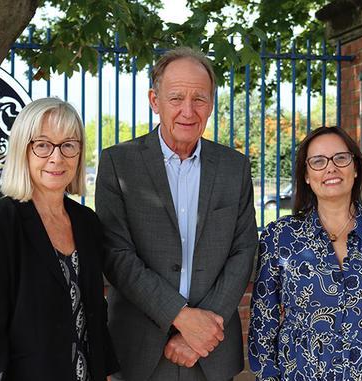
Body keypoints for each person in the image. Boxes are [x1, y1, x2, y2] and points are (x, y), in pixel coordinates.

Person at [95, 47, 258, 381]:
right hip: (139, 353)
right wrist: (181, 317)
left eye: (200, 98)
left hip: (211, 352)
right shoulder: (118, 163)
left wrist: (199, 332)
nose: (188, 110)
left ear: (211, 103)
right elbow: (116, 254)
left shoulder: (234, 167)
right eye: (176, 98)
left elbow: (244, 251)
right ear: (155, 100)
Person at [0, 97, 119, 381]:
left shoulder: (87, 222)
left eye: (68, 145)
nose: (57, 158)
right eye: (43, 145)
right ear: (23, 150)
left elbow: (95, 312)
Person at [248, 126, 362, 380]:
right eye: (318, 161)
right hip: (302, 372)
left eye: (341, 158)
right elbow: (264, 320)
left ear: (356, 168)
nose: (331, 168)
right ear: (306, 175)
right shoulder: (281, 236)